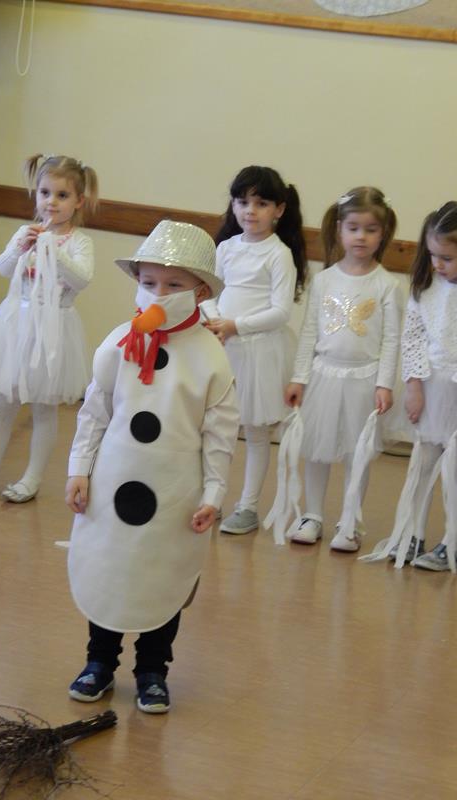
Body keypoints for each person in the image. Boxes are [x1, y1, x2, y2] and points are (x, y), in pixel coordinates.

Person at [65, 220, 239, 714]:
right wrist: (79, 468)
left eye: (173, 284)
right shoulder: (119, 342)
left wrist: (213, 494)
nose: (159, 293)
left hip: (175, 492)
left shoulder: (210, 357)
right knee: (110, 568)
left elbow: (220, 434)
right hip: (113, 482)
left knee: (163, 575)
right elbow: (95, 411)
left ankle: (152, 670)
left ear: (200, 291)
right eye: (149, 282)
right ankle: (99, 662)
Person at [0, 154, 98, 503]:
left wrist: (55, 251)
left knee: (43, 408)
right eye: (45, 193)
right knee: (2, 403)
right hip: (16, 325)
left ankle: (32, 478)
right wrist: (20, 247)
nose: (51, 202)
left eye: (62, 195)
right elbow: (3, 268)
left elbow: (82, 279)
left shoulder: (80, 242)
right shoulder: (26, 232)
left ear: (78, 201)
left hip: (54, 330)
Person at [284, 187, 402, 551]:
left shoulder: (387, 285)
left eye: (370, 229)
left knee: (358, 452)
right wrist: (299, 377)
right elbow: (309, 332)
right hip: (324, 375)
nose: (361, 236)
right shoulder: (324, 280)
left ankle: (350, 521)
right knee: (316, 449)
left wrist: (384, 384)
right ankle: (312, 515)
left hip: (364, 379)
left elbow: (391, 340)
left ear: (383, 233)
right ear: (339, 229)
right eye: (353, 228)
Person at [205, 165, 307, 535]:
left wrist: (235, 325)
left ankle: (247, 506)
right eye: (242, 202)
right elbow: (208, 291)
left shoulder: (278, 255)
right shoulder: (226, 248)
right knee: (215, 428)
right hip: (222, 348)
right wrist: (215, 320)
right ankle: (212, 498)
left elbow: (280, 312)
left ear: (279, 209)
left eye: (261, 203)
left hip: (258, 353)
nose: (250, 210)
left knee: (255, 432)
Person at [397, 202, 457, 571]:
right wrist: (414, 385)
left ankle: (451, 542)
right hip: (433, 385)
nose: (437, 264)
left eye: (447, 258)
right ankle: (412, 533)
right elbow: (413, 337)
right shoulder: (426, 286)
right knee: (424, 462)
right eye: (433, 255)